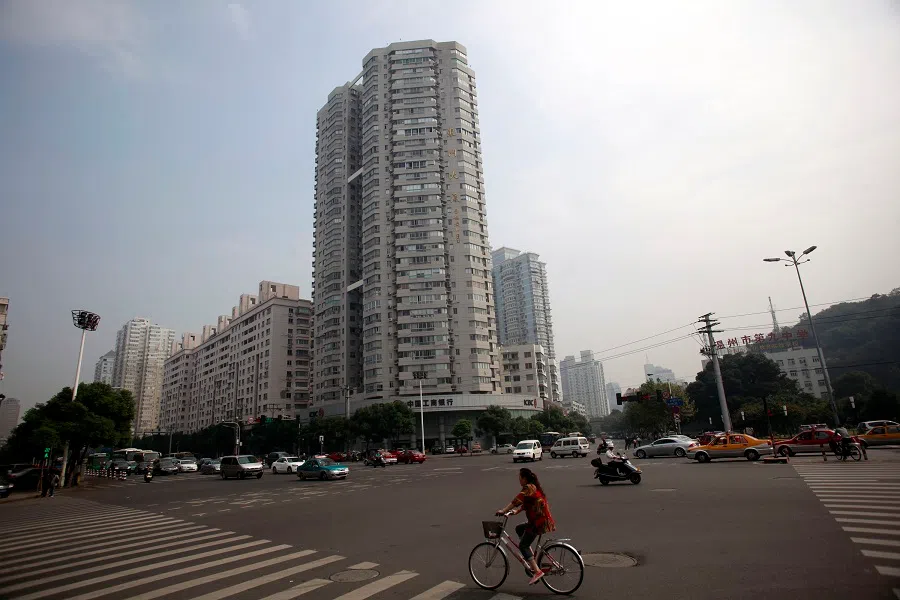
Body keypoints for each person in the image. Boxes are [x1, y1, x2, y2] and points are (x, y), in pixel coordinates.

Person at [496, 468, 556, 585]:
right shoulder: (533, 487)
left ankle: (537, 571)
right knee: (519, 529)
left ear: (524, 478)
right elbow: (527, 503)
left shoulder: (528, 487)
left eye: (520, 478)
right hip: (539, 519)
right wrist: (516, 512)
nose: (519, 480)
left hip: (538, 521)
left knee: (522, 545)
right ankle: (530, 556)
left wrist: (504, 511)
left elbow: (516, 500)